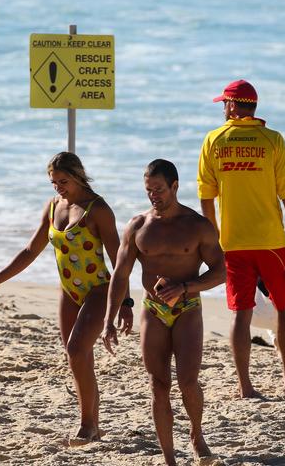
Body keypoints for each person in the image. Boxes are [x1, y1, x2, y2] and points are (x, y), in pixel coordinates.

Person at [0, 152, 132, 444]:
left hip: (98, 289)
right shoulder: (53, 206)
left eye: (63, 181)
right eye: (53, 182)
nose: (58, 187)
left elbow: (119, 261)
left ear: (78, 176)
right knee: (77, 358)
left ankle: (87, 426)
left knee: (76, 351)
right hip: (69, 291)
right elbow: (30, 251)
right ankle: (93, 425)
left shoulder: (97, 209)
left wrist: (125, 304)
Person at [102, 159, 225, 466]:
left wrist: (185, 287)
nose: (153, 195)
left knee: (187, 382)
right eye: (148, 190)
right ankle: (169, 459)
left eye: (158, 189)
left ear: (174, 186)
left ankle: (197, 435)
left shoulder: (197, 225)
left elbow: (222, 272)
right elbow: (120, 275)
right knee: (158, 385)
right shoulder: (138, 226)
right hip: (153, 309)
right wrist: (109, 319)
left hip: (187, 308)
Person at [197, 79, 285, 398]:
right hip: (271, 241)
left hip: (233, 243)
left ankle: (246, 386)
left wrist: (213, 239)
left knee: (241, 313)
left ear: (232, 105)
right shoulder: (273, 140)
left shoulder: (213, 140)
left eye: (224, 104)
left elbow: (206, 197)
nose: (223, 109)